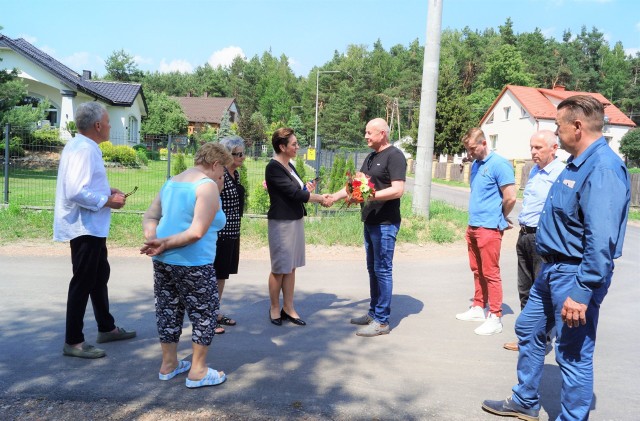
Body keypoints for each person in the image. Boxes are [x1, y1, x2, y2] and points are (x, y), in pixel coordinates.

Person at [482, 95, 631, 420]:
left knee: (572, 352)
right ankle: (525, 400)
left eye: (559, 126)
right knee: (529, 328)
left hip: (576, 275)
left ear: (577, 127)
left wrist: (582, 291)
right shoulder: (577, 163)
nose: (556, 132)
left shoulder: (603, 168)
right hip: (551, 269)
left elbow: (600, 239)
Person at [140, 142, 233, 389]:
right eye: (222, 171)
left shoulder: (172, 181)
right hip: (193, 261)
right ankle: (198, 371)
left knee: (168, 309)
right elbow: (196, 232)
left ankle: (169, 364)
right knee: (205, 312)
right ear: (214, 164)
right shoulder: (206, 186)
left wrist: (154, 239)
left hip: (163, 261)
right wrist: (162, 243)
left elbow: (150, 216)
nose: (223, 176)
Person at [54, 102, 136, 359]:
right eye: (109, 121)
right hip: (84, 226)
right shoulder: (84, 150)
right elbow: (75, 190)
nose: (111, 125)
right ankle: (74, 341)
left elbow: (84, 183)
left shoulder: (83, 146)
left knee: (99, 276)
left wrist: (106, 191)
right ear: (98, 126)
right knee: (83, 281)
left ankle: (106, 328)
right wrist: (107, 201)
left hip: (91, 226)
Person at [326, 118, 406, 337]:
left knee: (383, 270)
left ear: (383, 133)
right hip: (370, 221)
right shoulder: (371, 157)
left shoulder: (395, 156)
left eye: (370, 133)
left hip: (386, 223)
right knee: (373, 269)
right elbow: (355, 186)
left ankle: (382, 321)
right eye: (365, 132)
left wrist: (370, 195)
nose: (366, 136)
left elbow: (398, 190)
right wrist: (334, 197)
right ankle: (373, 313)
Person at [503, 130, 564, 352]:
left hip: (544, 238)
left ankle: (543, 338)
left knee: (541, 290)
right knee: (525, 288)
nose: (533, 152)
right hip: (525, 235)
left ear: (554, 148)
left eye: (538, 148)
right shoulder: (536, 172)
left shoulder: (561, 173)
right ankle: (528, 336)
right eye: (531, 147)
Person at [265, 127, 330, 327]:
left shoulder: (290, 166)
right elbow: (294, 194)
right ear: (282, 147)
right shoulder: (274, 167)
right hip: (281, 223)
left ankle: (289, 307)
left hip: (295, 220)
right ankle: (275, 307)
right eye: (294, 144)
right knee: (279, 268)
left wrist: (306, 189)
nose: (297, 147)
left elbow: (298, 190)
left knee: (291, 266)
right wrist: (320, 198)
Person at [455, 127, 516, 336]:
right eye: (468, 150)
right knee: (477, 270)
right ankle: (479, 307)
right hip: (473, 225)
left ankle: (495, 316)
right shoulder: (476, 165)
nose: (470, 153)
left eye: (472, 149)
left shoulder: (500, 164)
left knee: (491, 272)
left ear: (484, 143)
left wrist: (500, 217)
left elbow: (510, 197)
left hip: (489, 228)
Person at [213, 135, 247, 334]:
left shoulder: (235, 175)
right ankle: (209, 317)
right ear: (227, 154)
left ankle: (215, 312)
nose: (242, 157)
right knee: (215, 274)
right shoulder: (221, 175)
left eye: (243, 153)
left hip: (233, 231)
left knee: (222, 275)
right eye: (237, 154)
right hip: (220, 233)